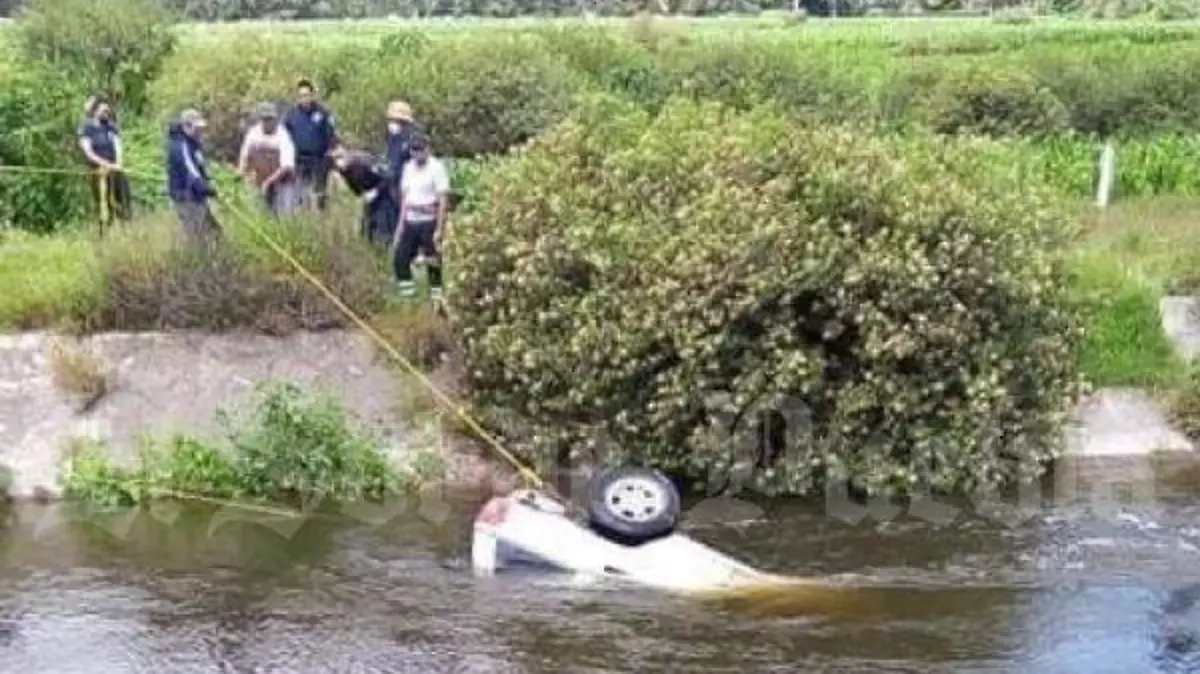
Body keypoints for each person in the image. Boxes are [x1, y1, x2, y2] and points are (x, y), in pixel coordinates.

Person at [392, 133, 450, 302]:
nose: (417, 153)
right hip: (410, 219)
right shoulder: (408, 168)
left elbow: (443, 199)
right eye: (414, 150)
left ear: (427, 149)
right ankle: (408, 298)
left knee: (433, 261)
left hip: (429, 220)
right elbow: (405, 199)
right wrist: (400, 226)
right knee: (400, 259)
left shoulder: (436, 168)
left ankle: (437, 298)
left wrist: (439, 228)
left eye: (420, 150)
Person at [283, 78, 340, 212]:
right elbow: (285, 138)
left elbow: (332, 136)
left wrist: (332, 156)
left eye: (307, 95)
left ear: (312, 95)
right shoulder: (291, 115)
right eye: (301, 96)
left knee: (320, 194)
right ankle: (305, 220)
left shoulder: (323, 113)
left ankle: (322, 219)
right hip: (300, 161)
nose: (304, 99)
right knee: (302, 196)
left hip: (319, 160)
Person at [77, 97, 132, 229]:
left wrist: (117, 164)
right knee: (103, 203)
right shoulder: (86, 128)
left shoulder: (110, 126)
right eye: (103, 110)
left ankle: (125, 227)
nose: (106, 113)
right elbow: (88, 152)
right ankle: (104, 230)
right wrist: (105, 164)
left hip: (115, 170)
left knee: (123, 199)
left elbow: (118, 146)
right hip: (98, 172)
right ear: (95, 111)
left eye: (107, 110)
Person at [237, 102, 298, 217]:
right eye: (265, 119)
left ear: (275, 119)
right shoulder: (253, 133)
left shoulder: (283, 136)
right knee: (263, 216)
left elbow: (287, 166)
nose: (268, 122)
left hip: (283, 183)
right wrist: (241, 170)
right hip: (261, 181)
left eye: (270, 119)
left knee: (285, 217)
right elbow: (245, 154)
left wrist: (269, 182)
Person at [166, 108, 219, 240]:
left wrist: (208, 181)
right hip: (186, 197)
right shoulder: (179, 145)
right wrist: (206, 188)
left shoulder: (193, 143)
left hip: (197, 195)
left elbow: (200, 167)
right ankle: (196, 259)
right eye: (197, 128)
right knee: (197, 237)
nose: (200, 131)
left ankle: (215, 258)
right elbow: (190, 172)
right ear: (187, 126)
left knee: (215, 233)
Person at [330, 146, 399, 247]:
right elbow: (357, 190)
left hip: (385, 196)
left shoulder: (364, 161)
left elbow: (388, 177)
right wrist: (364, 195)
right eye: (336, 160)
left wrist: (375, 191)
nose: (339, 163)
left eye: (341, 158)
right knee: (367, 231)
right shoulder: (344, 171)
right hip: (369, 198)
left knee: (382, 230)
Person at [384, 100, 422, 199]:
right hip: (393, 181)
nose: (391, 123)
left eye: (394, 120)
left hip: (408, 183)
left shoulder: (413, 136)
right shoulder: (393, 136)